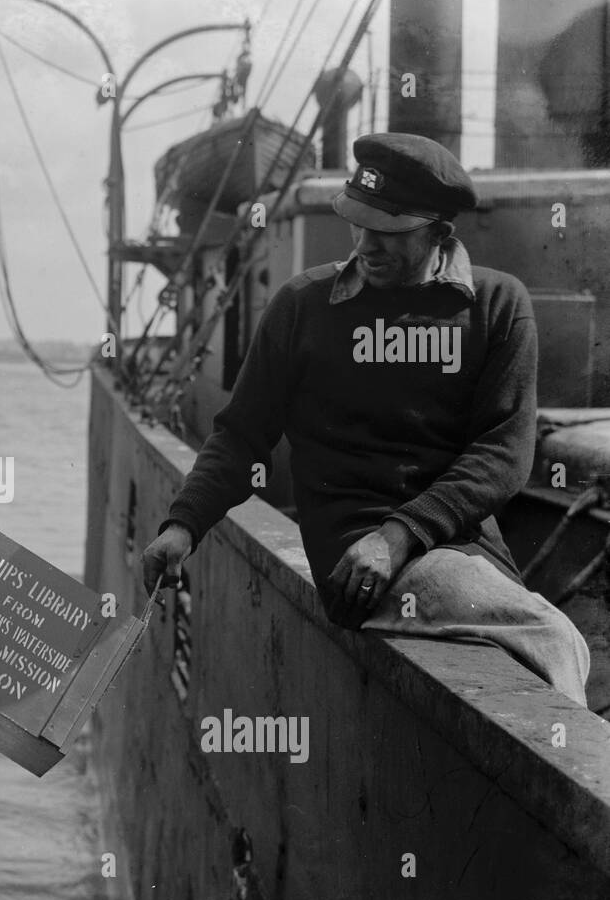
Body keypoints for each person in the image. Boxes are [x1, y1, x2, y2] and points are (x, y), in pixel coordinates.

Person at [142, 133, 590, 704]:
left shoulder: (498, 305)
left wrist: (401, 535)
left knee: (527, 651)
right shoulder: (302, 306)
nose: (366, 244)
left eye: (388, 231)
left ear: (437, 229)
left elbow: (502, 455)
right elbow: (241, 436)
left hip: (456, 550)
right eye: (357, 222)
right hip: (357, 560)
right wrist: (183, 525)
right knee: (553, 638)